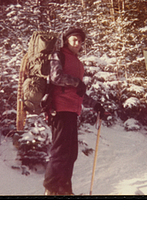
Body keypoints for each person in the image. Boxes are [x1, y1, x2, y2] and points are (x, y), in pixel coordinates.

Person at [43, 27, 105, 195]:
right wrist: (77, 82)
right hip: (59, 108)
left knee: (71, 154)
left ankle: (64, 190)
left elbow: (77, 91)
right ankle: (50, 189)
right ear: (66, 41)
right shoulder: (59, 55)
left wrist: (95, 105)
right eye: (73, 40)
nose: (77, 43)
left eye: (79, 40)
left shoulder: (77, 62)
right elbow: (56, 77)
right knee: (60, 151)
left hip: (71, 110)